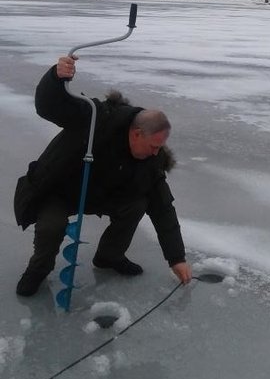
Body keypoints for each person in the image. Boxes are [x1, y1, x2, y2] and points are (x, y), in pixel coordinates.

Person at [14, 55, 192, 297]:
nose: (156, 153)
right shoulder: (96, 117)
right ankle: (38, 269)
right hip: (59, 190)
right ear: (137, 133)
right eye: (153, 146)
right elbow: (50, 106)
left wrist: (176, 258)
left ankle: (109, 256)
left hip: (100, 195)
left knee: (137, 204)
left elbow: (163, 208)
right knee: (51, 227)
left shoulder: (151, 160)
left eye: (160, 148)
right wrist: (55, 78)